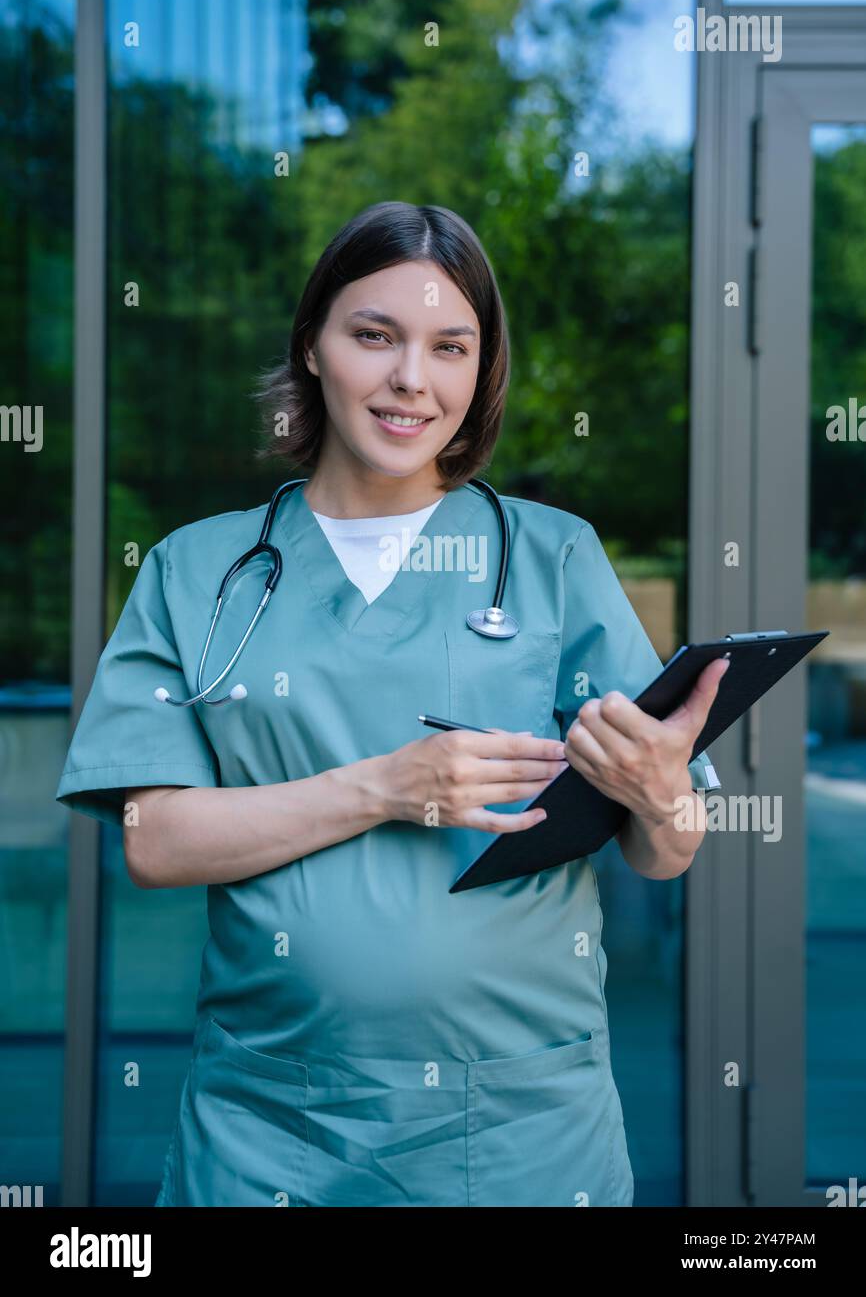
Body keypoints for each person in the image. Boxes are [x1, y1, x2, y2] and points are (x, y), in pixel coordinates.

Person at [56, 200, 725, 1208]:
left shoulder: (553, 558)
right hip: (269, 1128)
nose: (413, 378)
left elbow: (661, 848)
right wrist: (383, 786)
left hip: (519, 1131)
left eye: (450, 346)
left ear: (479, 370)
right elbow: (154, 840)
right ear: (313, 348)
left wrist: (664, 794)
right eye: (375, 335)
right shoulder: (200, 571)